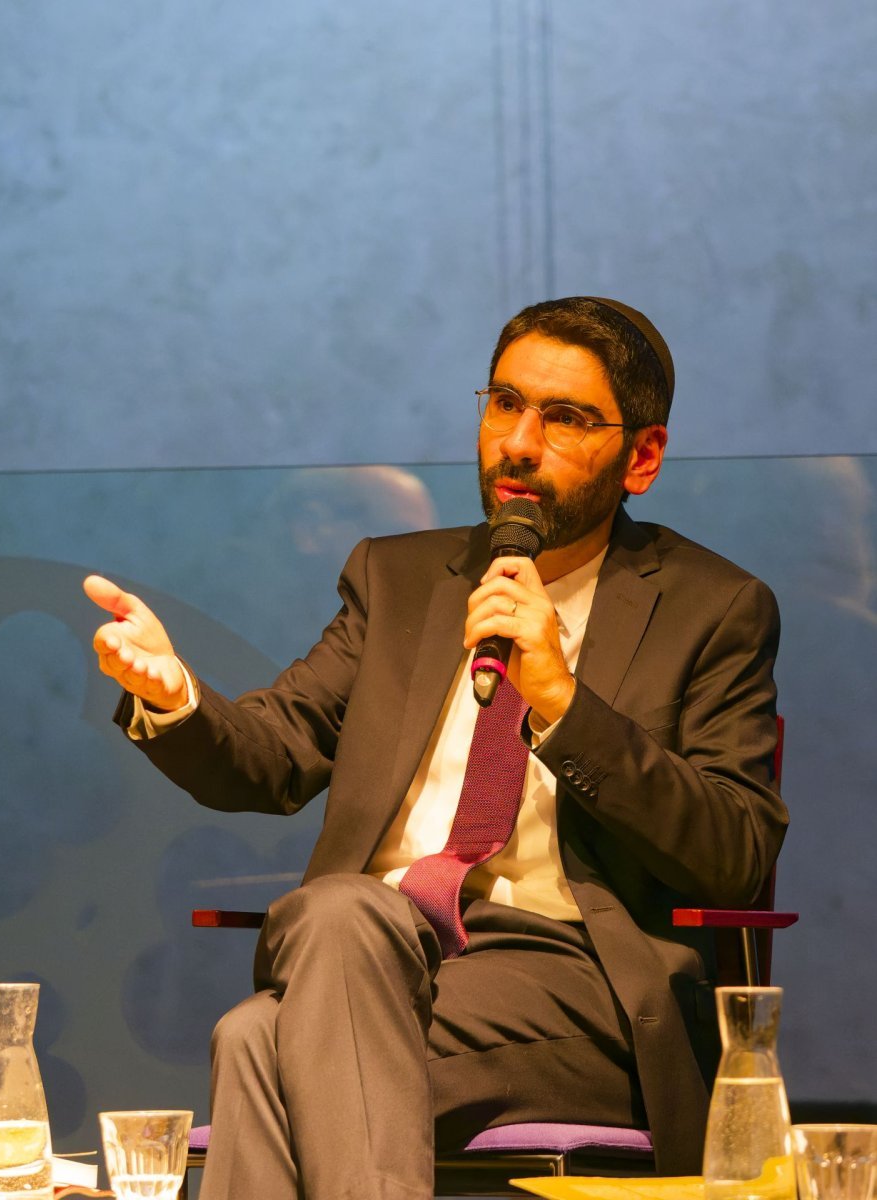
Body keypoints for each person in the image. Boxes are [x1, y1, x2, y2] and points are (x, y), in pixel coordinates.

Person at [84, 297, 788, 1199]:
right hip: (375, 959)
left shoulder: (711, 607)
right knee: (314, 961)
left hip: (575, 991)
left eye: (564, 418)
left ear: (641, 457)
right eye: (504, 404)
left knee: (265, 1028)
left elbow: (734, 851)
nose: (518, 443)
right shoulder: (402, 579)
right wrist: (173, 695)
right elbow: (276, 750)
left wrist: (564, 702)